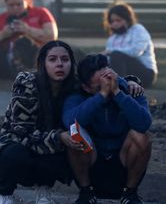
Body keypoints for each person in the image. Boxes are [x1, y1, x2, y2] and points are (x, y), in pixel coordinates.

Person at [0, 40, 81, 204]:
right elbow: (21, 131)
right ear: (42, 63)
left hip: (51, 144)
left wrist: (130, 82)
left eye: (65, 59)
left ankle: (44, 190)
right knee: (15, 155)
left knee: (60, 154)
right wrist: (58, 137)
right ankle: (5, 193)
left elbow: (100, 76)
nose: (59, 64)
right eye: (52, 59)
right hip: (17, 141)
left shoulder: (75, 86)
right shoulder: (27, 84)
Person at [63, 54, 152, 204]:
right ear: (86, 87)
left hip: (123, 161)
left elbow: (144, 124)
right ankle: (86, 192)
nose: (107, 87)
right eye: (99, 87)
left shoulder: (129, 89)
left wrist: (118, 93)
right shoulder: (78, 94)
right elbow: (70, 122)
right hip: (93, 160)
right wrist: (102, 96)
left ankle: (130, 194)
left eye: (110, 83)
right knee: (72, 134)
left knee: (143, 137)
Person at [103, 1, 158, 88]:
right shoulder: (113, 38)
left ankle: (120, 89)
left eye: (118, 20)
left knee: (116, 55)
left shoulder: (138, 30)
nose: (115, 24)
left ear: (127, 19)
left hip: (145, 73)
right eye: (112, 21)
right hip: (124, 72)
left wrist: (111, 52)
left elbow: (136, 51)